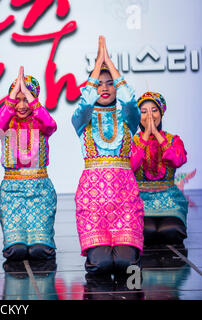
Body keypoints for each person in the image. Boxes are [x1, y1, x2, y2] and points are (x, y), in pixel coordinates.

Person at [72, 36, 144, 276]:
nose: (104, 87)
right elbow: (84, 103)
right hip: (93, 203)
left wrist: (109, 61)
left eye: (109, 82)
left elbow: (131, 100)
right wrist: (97, 66)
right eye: (99, 84)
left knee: (126, 265)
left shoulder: (128, 117)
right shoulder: (83, 119)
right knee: (101, 266)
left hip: (125, 200)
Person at [0, 66, 58, 262]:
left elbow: (50, 123)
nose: (21, 105)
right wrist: (12, 97)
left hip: (40, 192)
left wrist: (32, 99)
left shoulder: (41, 124)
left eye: (26, 99)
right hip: (12, 195)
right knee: (16, 252)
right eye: (17, 100)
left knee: (40, 251)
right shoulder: (6, 124)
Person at [131, 91, 188, 246]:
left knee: (171, 232)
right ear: (138, 116)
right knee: (146, 232)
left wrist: (156, 134)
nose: (149, 116)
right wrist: (146, 135)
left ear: (161, 113)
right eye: (144, 112)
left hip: (169, 197)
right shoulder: (133, 142)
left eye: (154, 110)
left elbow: (178, 160)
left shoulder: (173, 140)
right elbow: (131, 165)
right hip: (141, 198)